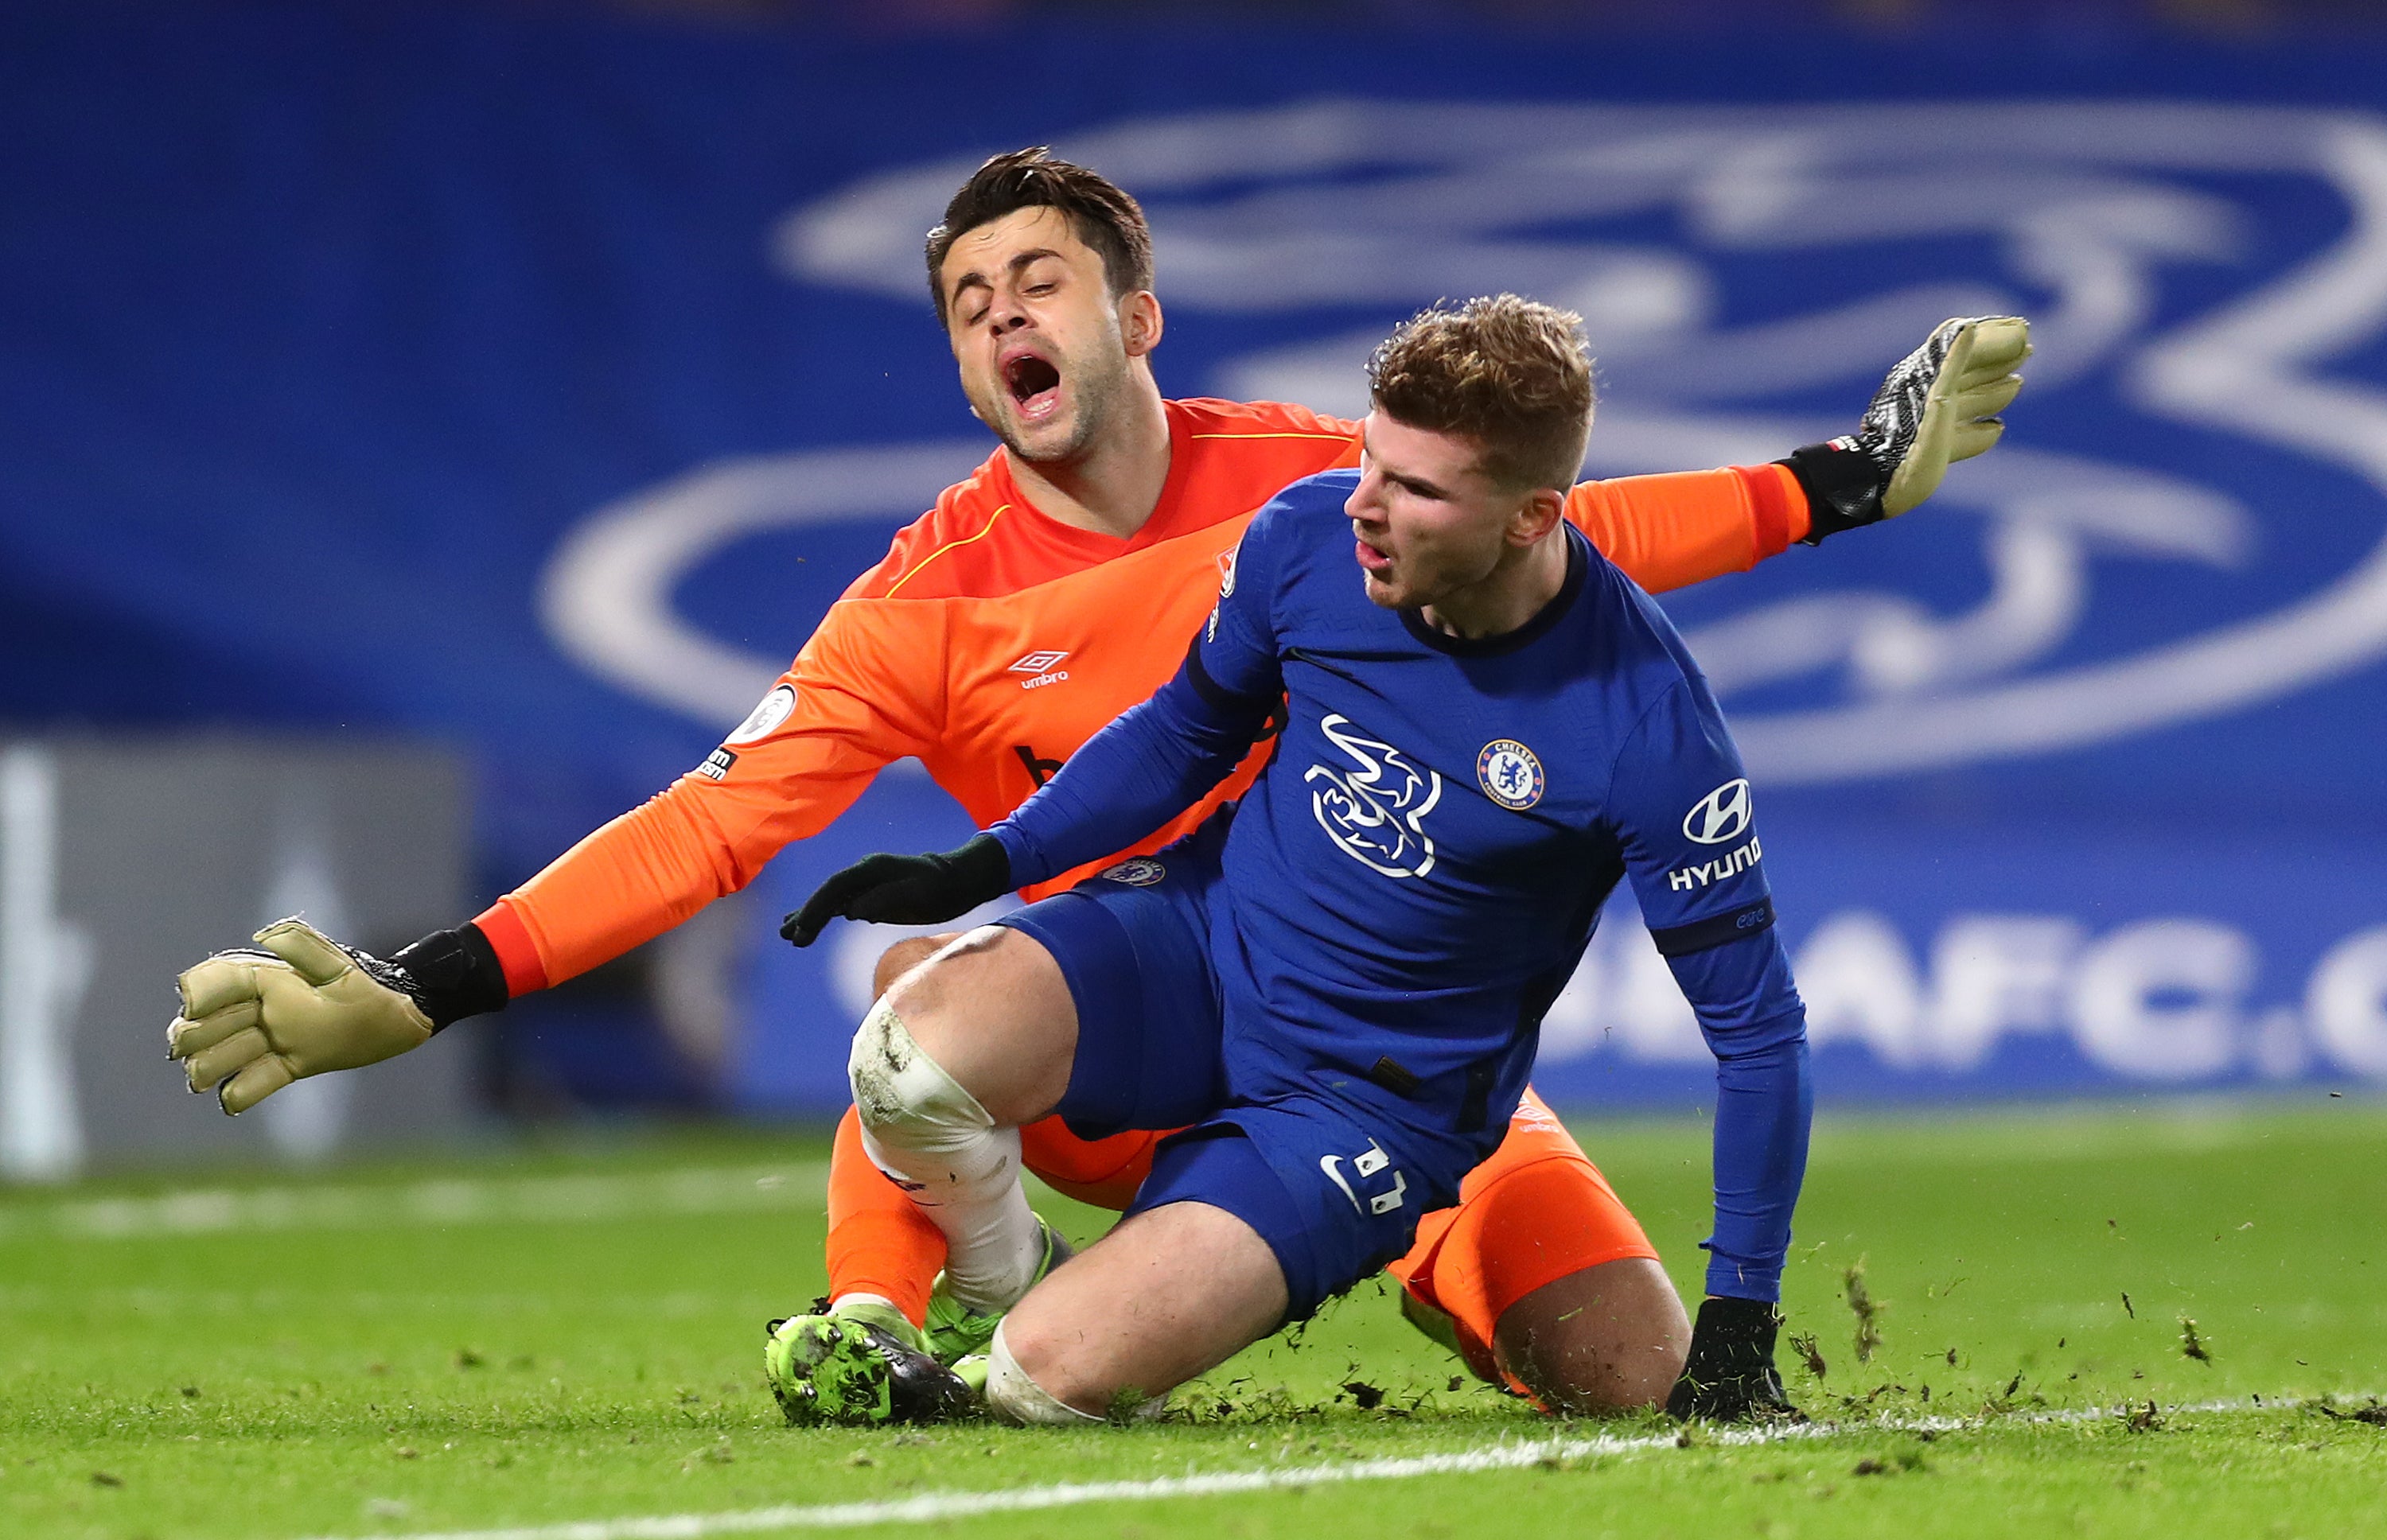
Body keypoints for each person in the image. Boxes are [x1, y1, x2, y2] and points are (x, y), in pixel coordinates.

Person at [163, 150, 2026, 1424]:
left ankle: (1176, 1267)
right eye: (967, 299)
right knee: (921, 1005)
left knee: (1636, 1376)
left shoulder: (1313, 485)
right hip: (1117, 1044)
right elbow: (708, 823)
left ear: (1138, 308)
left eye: (1035, 276)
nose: (999, 316)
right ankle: (943, 1297)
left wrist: (1841, 481)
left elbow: (1573, 528)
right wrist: (425, 983)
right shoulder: (920, 608)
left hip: (1386, 1066)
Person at [782, 292, 1866, 1425]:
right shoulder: (1306, 538)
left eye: (1418, 490)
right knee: (905, 1054)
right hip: (1196, 951)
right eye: (1372, 462)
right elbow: (1182, 731)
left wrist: (1742, 1318)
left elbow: (1758, 1034)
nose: (1367, 508)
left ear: (1534, 516)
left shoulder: (1645, 724)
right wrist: (983, 865)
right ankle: (1008, 1271)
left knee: (1043, 1384)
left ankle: (1169, 1293)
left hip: (1363, 1104)